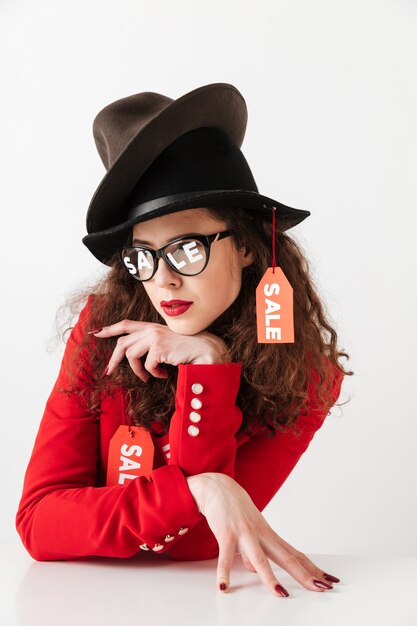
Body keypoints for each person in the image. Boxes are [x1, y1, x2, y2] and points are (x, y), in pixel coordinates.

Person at [15, 83, 352, 598]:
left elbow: (195, 545)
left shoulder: (309, 377)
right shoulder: (103, 327)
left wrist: (209, 373)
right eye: (143, 255)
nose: (163, 281)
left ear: (243, 245)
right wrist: (198, 487)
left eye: (186, 249)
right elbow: (40, 522)